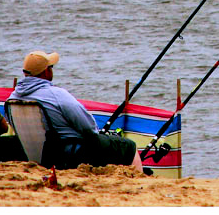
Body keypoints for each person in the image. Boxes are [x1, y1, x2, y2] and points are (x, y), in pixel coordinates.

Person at [8, 50, 144, 172]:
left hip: (33, 155)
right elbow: (88, 127)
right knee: (128, 146)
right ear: (45, 72)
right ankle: (139, 184)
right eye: (51, 67)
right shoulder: (56, 94)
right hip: (68, 155)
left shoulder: (12, 99)